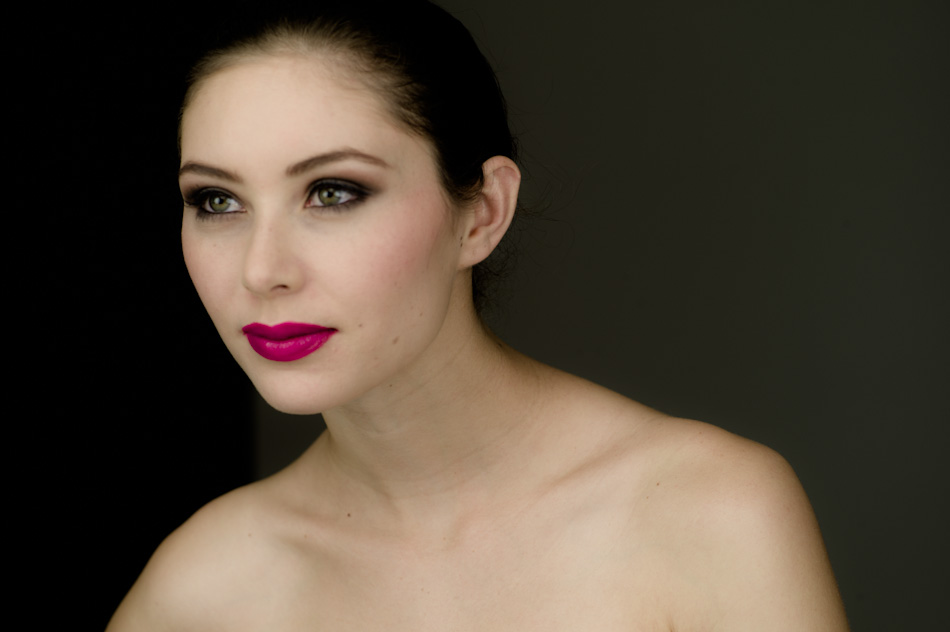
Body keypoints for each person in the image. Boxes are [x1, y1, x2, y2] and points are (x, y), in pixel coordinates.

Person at [108, 1, 848, 629]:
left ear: (483, 212)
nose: (261, 270)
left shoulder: (709, 515)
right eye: (217, 201)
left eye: (333, 192)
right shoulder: (204, 589)